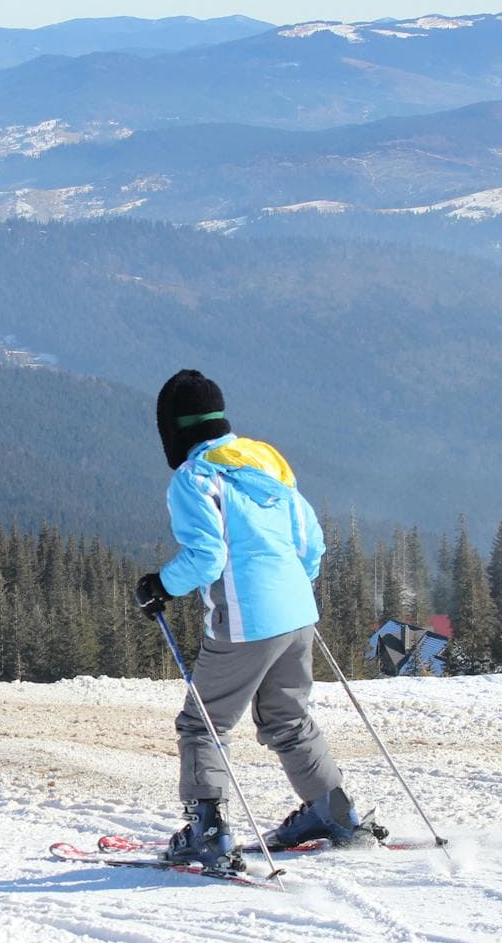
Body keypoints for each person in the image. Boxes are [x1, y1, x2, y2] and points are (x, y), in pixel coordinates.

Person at [135, 368, 380, 864]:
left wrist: (158, 585)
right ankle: (333, 811)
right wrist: (289, 587)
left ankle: (206, 832)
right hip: (297, 612)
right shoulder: (267, 466)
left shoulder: (195, 478)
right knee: (287, 716)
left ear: (174, 430)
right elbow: (311, 543)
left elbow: (207, 558)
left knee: (203, 722)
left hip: (247, 620)